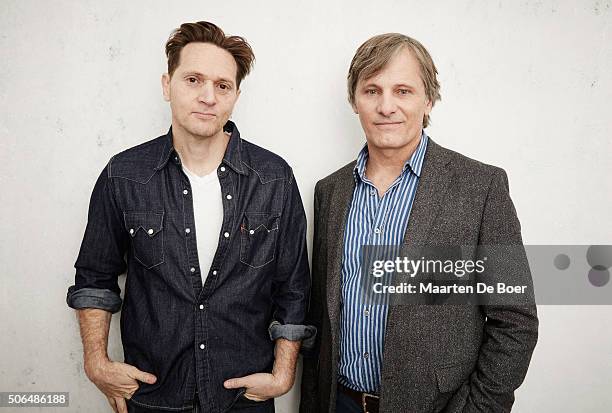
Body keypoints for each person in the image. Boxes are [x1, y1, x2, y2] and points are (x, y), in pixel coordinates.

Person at [66, 21, 314, 413]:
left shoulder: (274, 178)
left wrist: (283, 375)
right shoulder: (124, 175)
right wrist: (96, 363)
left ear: (235, 95)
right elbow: (95, 278)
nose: (208, 97)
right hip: (153, 396)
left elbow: (293, 288)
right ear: (167, 85)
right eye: (193, 80)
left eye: (222, 85)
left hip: (242, 399)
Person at [300, 33, 538, 413]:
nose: (386, 106)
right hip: (339, 402)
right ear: (354, 101)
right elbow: (322, 315)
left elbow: (516, 319)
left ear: (428, 100)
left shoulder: (481, 187)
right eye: (372, 90)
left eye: (403, 91)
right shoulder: (330, 191)